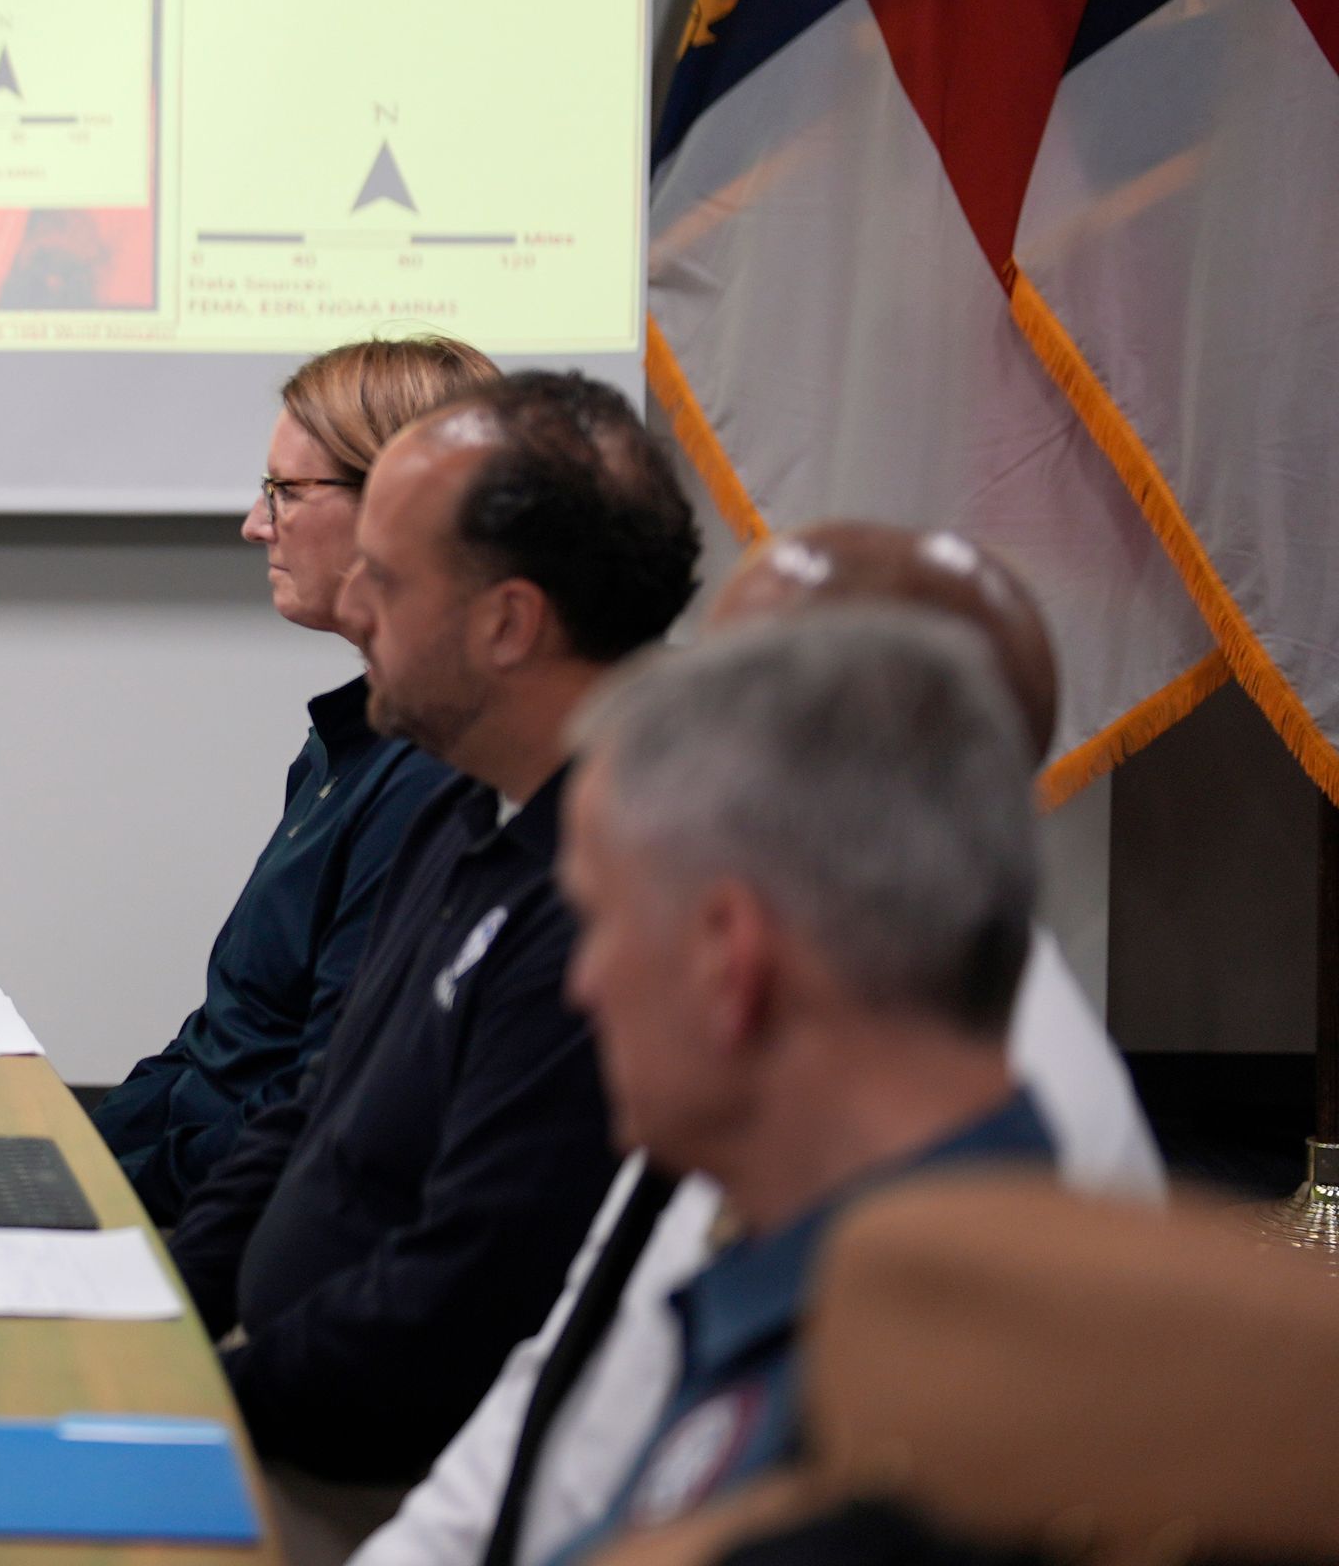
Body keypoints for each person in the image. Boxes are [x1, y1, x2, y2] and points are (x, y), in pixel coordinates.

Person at [355, 521, 1163, 1566]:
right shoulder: (793, 1074)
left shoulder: (969, 1225)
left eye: (602, 922)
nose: (582, 980)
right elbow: (563, 1392)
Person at [168, 371, 696, 1530]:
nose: (357, 611)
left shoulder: (611, 896)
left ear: (508, 622)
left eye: (389, 583)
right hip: (285, 1394)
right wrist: (153, 1311)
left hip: (386, 1470)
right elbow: (309, 1107)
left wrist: (190, 1397)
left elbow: (457, 1305)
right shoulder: (479, 804)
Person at [541, 610, 1058, 1562]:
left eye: (597, 919)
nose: (581, 982)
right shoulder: (957, 1268)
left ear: (727, 961)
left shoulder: (885, 1435)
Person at [84, 336, 491, 1224]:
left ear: (398, 508)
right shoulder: (346, 743)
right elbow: (219, 1043)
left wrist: (103, 1198)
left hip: (232, 1232)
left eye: (285, 492)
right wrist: (68, 1157)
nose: (255, 524)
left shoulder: (434, 781)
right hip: (191, 1188)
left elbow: (315, 1108)